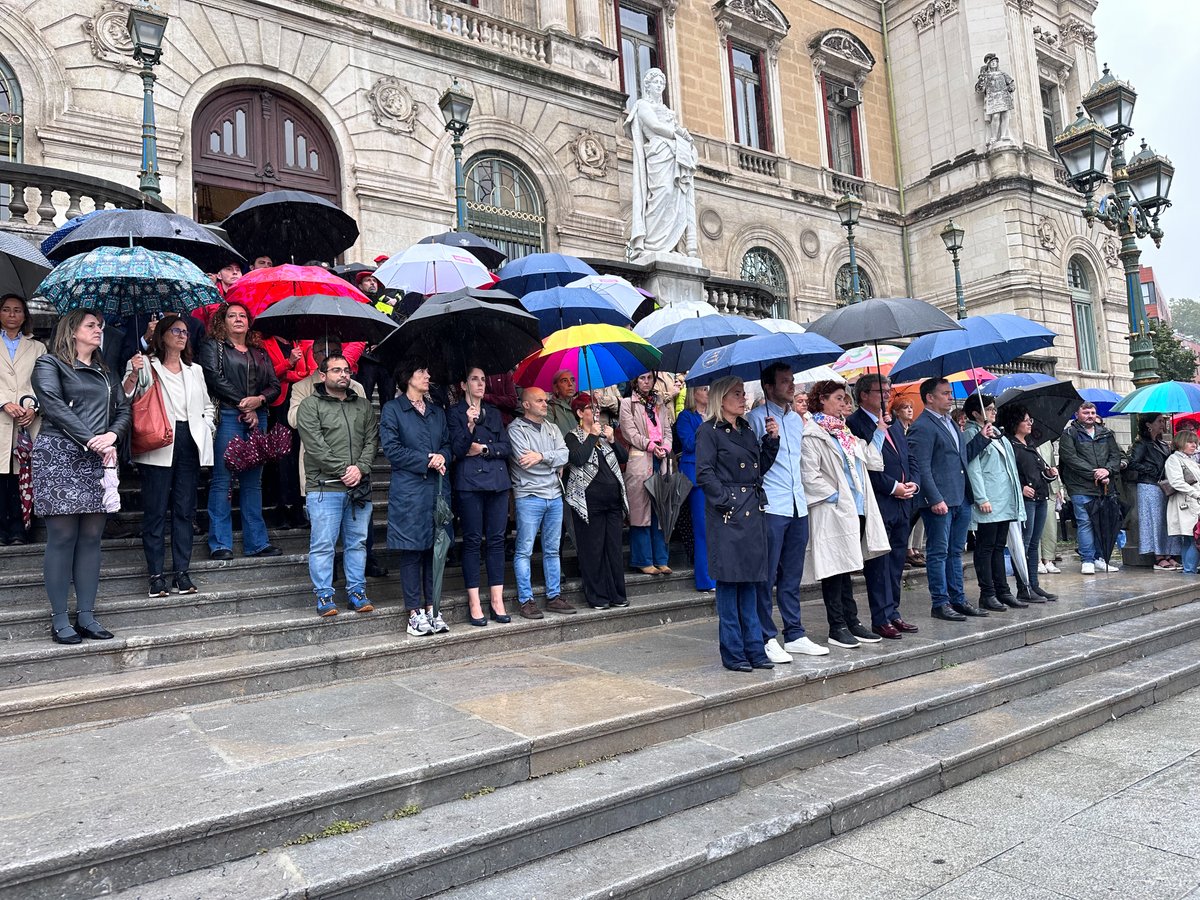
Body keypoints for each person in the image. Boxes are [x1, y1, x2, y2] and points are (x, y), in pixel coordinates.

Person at [31, 309, 131, 644]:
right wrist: (92, 438)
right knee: (61, 537)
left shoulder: (105, 369)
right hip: (59, 453)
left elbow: (124, 409)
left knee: (91, 538)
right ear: (73, 330)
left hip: (99, 454)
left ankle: (86, 616)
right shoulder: (50, 364)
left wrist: (113, 437)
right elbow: (54, 406)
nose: (98, 330)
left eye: (100, 326)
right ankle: (60, 619)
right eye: (91, 326)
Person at [122, 313, 215, 596]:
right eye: (175, 330)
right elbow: (124, 398)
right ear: (161, 335)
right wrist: (134, 373)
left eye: (185, 331)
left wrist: (207, 426)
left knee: (185, 510)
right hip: (158, 441)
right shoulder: (144, 365)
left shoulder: (194, 369)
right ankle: (156, 575)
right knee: (155, 511)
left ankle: (182, 573)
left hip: (189, 441)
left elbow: (208, 405)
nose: (181, 335)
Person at [694, 376, 778, 672]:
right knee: (730, 588)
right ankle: (733, 652)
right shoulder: (708, 431)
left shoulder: (745, 429)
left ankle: (755, 649)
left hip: (752, 512)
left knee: (751, 585)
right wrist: (726, 501)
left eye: (744, 394)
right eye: (737, 394)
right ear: (721, 398)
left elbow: (757, 470)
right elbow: (704, 473)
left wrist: (771, 442)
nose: (743, 399)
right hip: (728, 515)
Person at [801, 380, 890, 649]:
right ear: (822, 400)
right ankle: (836, 625)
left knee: (848, 567)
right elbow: (809, 475)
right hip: (832, 510)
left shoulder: (845, 433)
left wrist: (879, 432)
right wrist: (837, 495)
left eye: (845, 399)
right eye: (839, 398)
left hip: (855, 509)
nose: (844, 404)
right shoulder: (813, 434)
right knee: (834, 569)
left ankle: (852, 621)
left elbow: (871, 460)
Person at [748, 363, 826, 662]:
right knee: (767, 576)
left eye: (792, 381)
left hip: (798, 504)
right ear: (769, 387)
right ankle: (766, 636)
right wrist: (768, 437)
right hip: (772, 505)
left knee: (792, 575)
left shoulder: (796, 420)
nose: (792, 386)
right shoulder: (756, 419)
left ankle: (795, 633)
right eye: (784, 382)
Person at [296, 354, 378, 617]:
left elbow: (372, 441)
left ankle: (357, 592)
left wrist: (361, 468)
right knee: (323, 544)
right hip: (324, 488)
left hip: (358, 488)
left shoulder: (363, 406)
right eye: (336, 370)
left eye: (346, 370)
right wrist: (344, 470)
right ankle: (324, 595)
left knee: (357, 543)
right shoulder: (310, 405)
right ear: (323, 376)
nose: (343, 375)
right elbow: (315, 445)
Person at [199, 300, 282, 560]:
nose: (238, 319)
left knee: (253, 483)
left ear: (249, 322)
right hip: (228, 415)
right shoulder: (213, 346)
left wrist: (260, 401)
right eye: (232, 316)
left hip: (259, 416)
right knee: (223, 481)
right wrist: (244, 405)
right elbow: (213, 378)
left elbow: (274, 385)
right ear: (222, 322)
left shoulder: (259, 351)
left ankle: (257, 542)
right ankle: (220, 543)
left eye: (243, 316)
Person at [908, 377, 993, 622]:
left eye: (949, 393)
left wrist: (981, 438)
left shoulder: (952, 424)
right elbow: (921, 466)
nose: (949, 397)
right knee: (938, 552)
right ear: (930, 398)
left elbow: (961, 457)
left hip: (960, 498)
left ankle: (958, 598)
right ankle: (940, 602)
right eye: (944, 393)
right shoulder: (922, 426)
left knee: (956, 552)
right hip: (939, 501)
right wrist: (934, 498)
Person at [381, 360, 452, 636]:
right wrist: (427, 459)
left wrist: (442, 456)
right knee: (412, 549)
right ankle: (414, 612)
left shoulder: (437, 411)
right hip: (409, 490)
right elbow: (392, 449)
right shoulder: (392, 409)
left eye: (427, 370)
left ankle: (432, 607)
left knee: (434, 549)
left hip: (436, 489)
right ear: (407, 376)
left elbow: (446, 443)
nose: (428, 375)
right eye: (422, 371)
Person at [847, 374, 921, 639]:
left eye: (888, 390)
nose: (887, 395)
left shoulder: (892, 422)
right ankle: (880, 616)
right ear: (864, 394)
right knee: (879, 562)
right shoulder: (854, 424)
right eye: (880, 391)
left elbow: (908, 457)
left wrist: (913, 483)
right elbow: (865, 465)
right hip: (880, 501)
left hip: (903, 503)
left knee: (897, 560)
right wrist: (893, 487)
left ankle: (894, 612)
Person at [448, 366, 512, 626]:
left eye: (483, 379)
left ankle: (497, 600)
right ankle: (474, 601)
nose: (480, 383)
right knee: (473, 540)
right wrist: (470, 424)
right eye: (474, 379)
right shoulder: (453, 413)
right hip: (469, 482)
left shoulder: (494, 413)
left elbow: (506, 447)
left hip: (497, 481)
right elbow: (458, 449)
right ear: (463, 385)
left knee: (497, 540)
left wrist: (484, 448)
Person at [507, 386, 577, 618]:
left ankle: (554, 596)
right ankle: (526, 600)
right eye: (539, 401)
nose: (545, 404)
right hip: (529, 496)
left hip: (555, 495)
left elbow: (565, 455)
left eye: (546, 400)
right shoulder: (515, 429)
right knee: (524, 550)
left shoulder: (552, 427)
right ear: (526, 405)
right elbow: (524, 461)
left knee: (552, 550)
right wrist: (551, 463)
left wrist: (542, 457)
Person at [962, 393, 1027, 610]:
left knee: (999, 546)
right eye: (989, 409)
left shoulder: (997, 433)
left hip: (1004, 498)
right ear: (975, 413)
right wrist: (981, 497)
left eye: (994, 408)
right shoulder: (971, 433)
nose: (994, 412)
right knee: (986, 547)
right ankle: (987, 593)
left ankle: (1003, 590)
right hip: (989, 499)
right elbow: (973, 468)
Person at [565, 393, 629, 609]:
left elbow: (623, 457)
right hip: (588, 501)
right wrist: (591, 436)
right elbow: (577, 459)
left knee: (613, 548)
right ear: (580, 413)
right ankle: (598, 596)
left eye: (598, 408)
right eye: (591, 408)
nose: (597, 412)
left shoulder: (604, 434)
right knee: (593, 549)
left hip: (612, 501)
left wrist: (612, 439)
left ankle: (617, 594)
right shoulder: (572, 436)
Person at [626, 67, 698, 258]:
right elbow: (654, 126)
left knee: (675, 201)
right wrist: (678, 133)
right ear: (647, 85)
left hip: (674, 155)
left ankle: (669, 247)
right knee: (661, 193)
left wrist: (684, 141)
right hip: (658, 153)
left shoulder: (667, 110)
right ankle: (652, 245)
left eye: (662, 83)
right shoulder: (642, 105)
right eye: (655, 82)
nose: (659, 86)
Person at [0, 295, 45, 545]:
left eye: (17, 310)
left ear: (25, 316)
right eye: (6, 310)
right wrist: (3, 402)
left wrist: (35, 407)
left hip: (27, 419)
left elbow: (44, 382)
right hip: (1, 417)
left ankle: (20, 528)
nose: (12, 315)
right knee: (0, 474)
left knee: (22, 474)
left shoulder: (38, 347)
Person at [1001, 404, 1058, 601]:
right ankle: (1023, 587)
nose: (1029, 424)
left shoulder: (1030, 443)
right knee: (1023, 544)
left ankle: (1034, 585)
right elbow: (1008, 472)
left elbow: (1037, 470)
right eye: (1026, 420)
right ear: (1015, 422)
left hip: (1041, 496)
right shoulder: (1009, 444)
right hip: (1026, 500)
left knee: (1034, 543)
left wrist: (1049, 474)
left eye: (1030, 420)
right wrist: (1021, 486)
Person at [1059, 402, 1123, 574]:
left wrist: (1107, 471)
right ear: (1077, 414)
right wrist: (1095, 473)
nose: (1090, 415)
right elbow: (1070, 459)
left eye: (1093, 412)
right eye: (1086, 412)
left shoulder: (1106, 433)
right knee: (1085, 522)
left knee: (1102, 524)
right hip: (1080, 486)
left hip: (1103, 486)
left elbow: (1115, 455)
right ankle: (1087, 559)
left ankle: (1100, 558)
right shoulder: (1069, 434)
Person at [620, 372, 673, 575]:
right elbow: (629, 432)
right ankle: (643, 559)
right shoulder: (627, 403)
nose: (646, 382)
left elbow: (667, 431)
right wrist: (651, 445)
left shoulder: (659, 403)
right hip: (641, 458)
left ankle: (661, 558)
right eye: (641, 378)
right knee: (641, 511)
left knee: (660, 510)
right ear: (635, 381)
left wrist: (665, 448)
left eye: (649, 378)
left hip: (661, 459)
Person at [263, 335, 310, 529]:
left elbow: (308, 371)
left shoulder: (298, 342)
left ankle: (298, 510)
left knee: (297, 456)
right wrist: (289, 363)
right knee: (280, 458)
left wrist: (294, 373)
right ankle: (280, 510)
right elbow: (267, 375)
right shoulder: (265, 343)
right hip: (278, 405)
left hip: (298, 402)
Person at [1125, 413, 1181, 571]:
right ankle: (1159, 556)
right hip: (1149, 486)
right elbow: (1133, 463)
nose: (1162, 424)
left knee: (1166, 520)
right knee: (1154, 521)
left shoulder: (1163, 444)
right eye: (1159, 421)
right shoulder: (1142, 444)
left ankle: (1169, 553)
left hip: (1164, 486)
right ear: (1149, 424)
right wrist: (1150, 470)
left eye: (1163, 421)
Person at [674, 385, 716, 592]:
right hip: (696, 477)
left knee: (716, 528)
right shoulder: (685, 417)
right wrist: (707, 426)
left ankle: (718, 574)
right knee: (702, 529)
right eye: (703, 389)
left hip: (715, 474)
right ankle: (706, 579)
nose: (708, 392)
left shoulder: (715, 415)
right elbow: (689, 444)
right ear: (694, 394)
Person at [891, 397, 925, 569]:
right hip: (901, 482)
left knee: (916, 517)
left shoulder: (909, 429)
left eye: (911, 407)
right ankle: (907, 549)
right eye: (905, 407)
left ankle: (913, 548)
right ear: (897, 411)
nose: (910, 410)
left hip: (913, 480)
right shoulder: (894, 429)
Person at [1164, 431, 1200, 574]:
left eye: (1195, 442)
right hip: (1185, 503)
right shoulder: (1174, 459)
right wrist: (1195, 493)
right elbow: (1176, 482)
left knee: (1191, 538)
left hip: (1193, 502)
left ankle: (1189, 570)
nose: (1193, 445)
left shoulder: (1191, 460)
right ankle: (1189, 570)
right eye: (1189, 442)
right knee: (1193, 537)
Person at [547, 369, 578, 437]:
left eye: (573, 380)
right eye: (564, 381)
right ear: (556, 387)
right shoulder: (550, 409)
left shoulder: (579, 405)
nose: (570, 384)